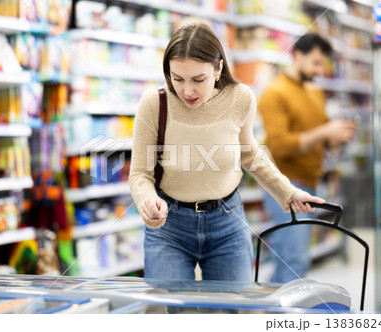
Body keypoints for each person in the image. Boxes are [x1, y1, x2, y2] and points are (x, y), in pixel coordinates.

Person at [129, 23, 325, 283]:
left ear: (218, 68)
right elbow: (140, 174)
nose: (187, 90)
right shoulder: (155, 103)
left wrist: (287, 191)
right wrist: (146, 199)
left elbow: (249, 153)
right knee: (174, 316)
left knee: (228, 314)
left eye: (198, 79)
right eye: (177, 78)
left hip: (228, 223)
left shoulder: (241, 98)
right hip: (170, 227)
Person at [258, 34, 357, 283]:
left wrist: (336, 136)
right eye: (315, 62)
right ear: (297, 56)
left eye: (322, 63)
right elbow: (279, 146)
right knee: (297, 260)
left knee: (292, 259)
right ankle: (276, 318)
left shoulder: (315, 93)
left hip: (311, 184)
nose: (319, 70)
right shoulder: (274, 94)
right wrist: (325, 132)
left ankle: (268, 311)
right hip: (285, 186)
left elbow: (320, 137)